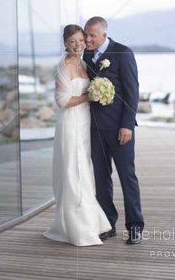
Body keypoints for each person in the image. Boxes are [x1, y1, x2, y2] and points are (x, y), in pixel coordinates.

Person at [44, 25, 112, 246]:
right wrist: (89, 96)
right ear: (65, 43)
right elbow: (62, 101)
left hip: (84, 123)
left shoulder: (83, 63)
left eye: (81, 40)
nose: (78, 45)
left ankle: (90, 222)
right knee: (74, 171)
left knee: (84, 170)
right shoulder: (63, 66)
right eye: (73, 41)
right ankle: (79, 228)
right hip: (70, 123)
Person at [83, 16, 144, 245]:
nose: (88, 39)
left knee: (127, 177)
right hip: (95, 128)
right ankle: (107, 224)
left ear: (104, 35)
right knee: (101, 178)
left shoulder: (123, 53)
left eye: (92, 35)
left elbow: (132, 92)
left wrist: (127, 124)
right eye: (86, 35)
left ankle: (135, 226)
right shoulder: (86, 55)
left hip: (120, 128)